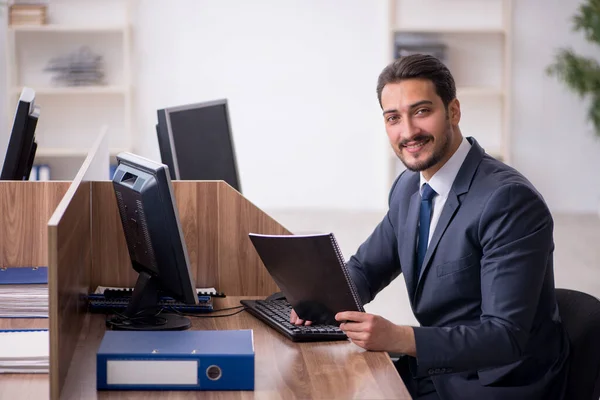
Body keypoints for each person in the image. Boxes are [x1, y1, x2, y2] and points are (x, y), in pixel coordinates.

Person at [290, 54, 570, 400]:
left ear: (453, 111)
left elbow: (504, 336)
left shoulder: (508, 200)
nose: (408, 132)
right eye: (394, 118)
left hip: (499, 382)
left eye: (422, 112)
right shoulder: (409, 188)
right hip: (442, 368)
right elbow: (366, 268)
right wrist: (315, 301)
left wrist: (399, 337)